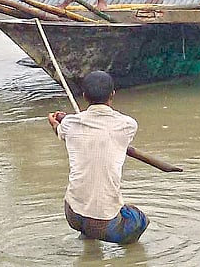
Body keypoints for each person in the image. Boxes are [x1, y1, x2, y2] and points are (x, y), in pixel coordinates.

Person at [47, 71, 149, 244]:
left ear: (84, 96)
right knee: (140, 220)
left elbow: (60, 129)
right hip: (104, 223)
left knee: (89, 214)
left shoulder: (70, 124)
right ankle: (131, 254)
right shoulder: (128, 125)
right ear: (112, 94)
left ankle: (88, 241)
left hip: (72, 214)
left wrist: (55, 122)